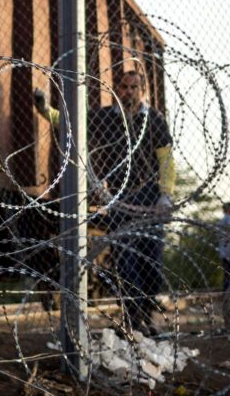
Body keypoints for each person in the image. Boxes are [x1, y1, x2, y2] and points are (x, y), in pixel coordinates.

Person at [34, 70, 176, 335]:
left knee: (151, 262)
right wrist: (45, 110)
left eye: (134, 87)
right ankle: (134, 318)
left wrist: (166, 195)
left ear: (142, 90)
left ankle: (145, 313)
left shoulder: (154, 120)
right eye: (124, 86)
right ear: (117, 89)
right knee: (125, 260)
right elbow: (70, 123)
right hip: (120, 197)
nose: (129, 92)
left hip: (149, 197)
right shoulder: (106, 117)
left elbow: (166, 159)